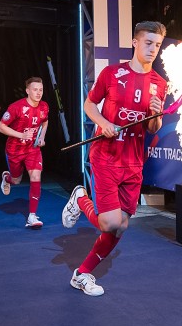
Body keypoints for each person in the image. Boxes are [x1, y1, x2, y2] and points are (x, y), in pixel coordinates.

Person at [61, 21, 167, 296]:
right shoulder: (112, 73)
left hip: (133, 161)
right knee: (109, 222)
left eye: (157, 45)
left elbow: (152, 128)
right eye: (148, 43)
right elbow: (89, 104)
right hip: (106, 157)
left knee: (120, 228)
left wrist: (157, 114)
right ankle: (80, 198)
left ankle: (82, 275)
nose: (153, 49)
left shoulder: (159, 83)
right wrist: (103, 123)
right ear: (135, 42)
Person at [0, 77, 50, 229]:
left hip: (32, 149)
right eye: (35, 89)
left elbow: (45, 121)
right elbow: (1, 127)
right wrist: (21, 135)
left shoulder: (44, 106)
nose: (38, 93)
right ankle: (7, 178)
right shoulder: (16, 107)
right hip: (15, 149)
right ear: (27, 91)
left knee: (35, 177)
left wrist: (41, 136)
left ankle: (32, 216)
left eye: (40, 90)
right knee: (17, 180)